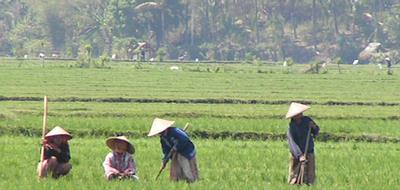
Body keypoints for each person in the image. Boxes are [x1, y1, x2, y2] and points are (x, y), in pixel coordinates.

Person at [148, 118, 199, 183]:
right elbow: (166, 150)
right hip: (176, 153)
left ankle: (192, 182)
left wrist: (176, 147)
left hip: (186, 151)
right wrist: (165, 160)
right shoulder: (163, 138)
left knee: (187, 169)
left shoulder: (175, 131)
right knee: (176, 172)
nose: (160, 133)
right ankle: (180, 183)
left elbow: (185, 139)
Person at [286, 102, 319, 185]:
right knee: (295, 174)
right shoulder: (291, 127)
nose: (300, 115)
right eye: (298, 114)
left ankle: (309, 185)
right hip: (296, 154)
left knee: (310, 174)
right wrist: (299, 155)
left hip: (309, 151)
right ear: (294, 116)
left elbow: (316, 131)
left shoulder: (307, 120)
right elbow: (292, 143)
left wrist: (314, 127)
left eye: (300, 113)